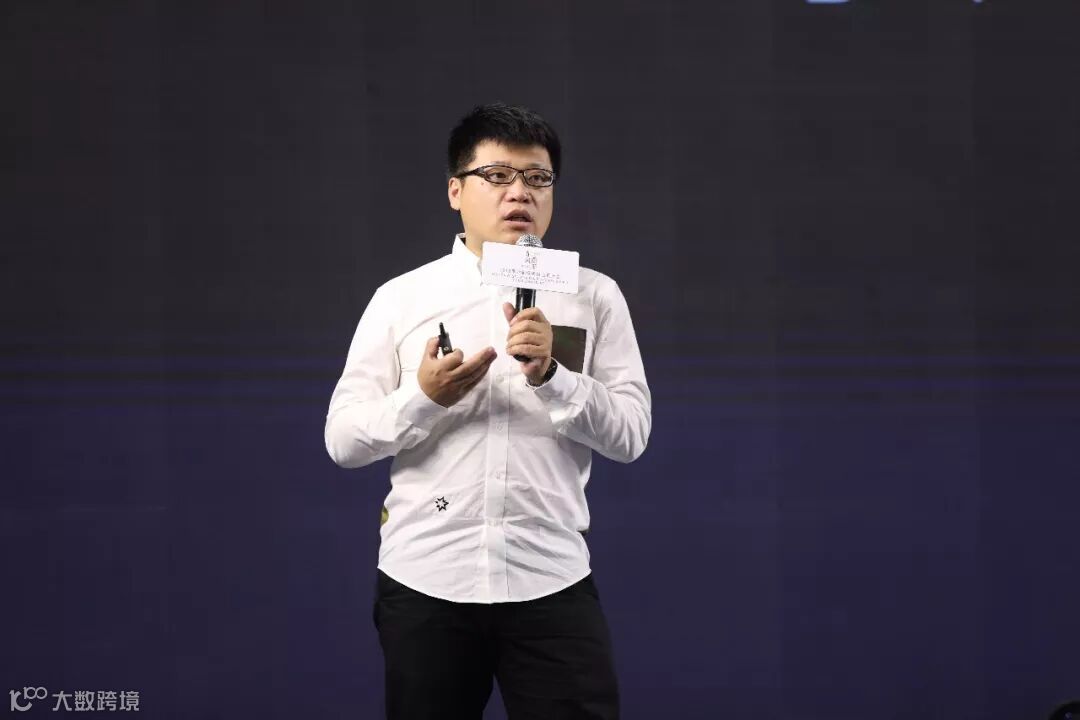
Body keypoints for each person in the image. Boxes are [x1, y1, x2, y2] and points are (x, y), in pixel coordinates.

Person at [324, 102, 651, 720]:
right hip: (427, 578)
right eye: (497, 176)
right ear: (456, 191)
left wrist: (553, 377)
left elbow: (632, 435)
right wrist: (424, 398)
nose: (519, 193)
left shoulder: (593, 295)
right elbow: (342, 439)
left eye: (537, 178)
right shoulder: (403, 297)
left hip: (549, 577)